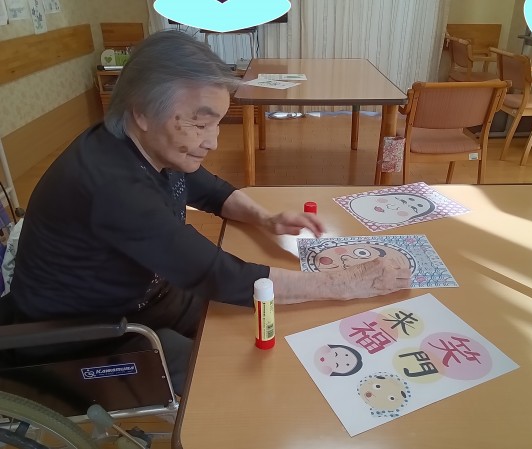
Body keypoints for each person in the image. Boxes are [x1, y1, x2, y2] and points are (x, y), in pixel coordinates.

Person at [10, 30, 411, 395]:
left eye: (217, 124)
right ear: (142, 111)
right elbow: (216, 273)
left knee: (266, 331)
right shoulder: (113, 187)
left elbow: (210, 190)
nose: (213, 141)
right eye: (200, 124)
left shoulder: (144, 146)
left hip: (148, 295)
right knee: (233, 378)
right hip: (87, 331)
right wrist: (345, 282)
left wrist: (265, 218)